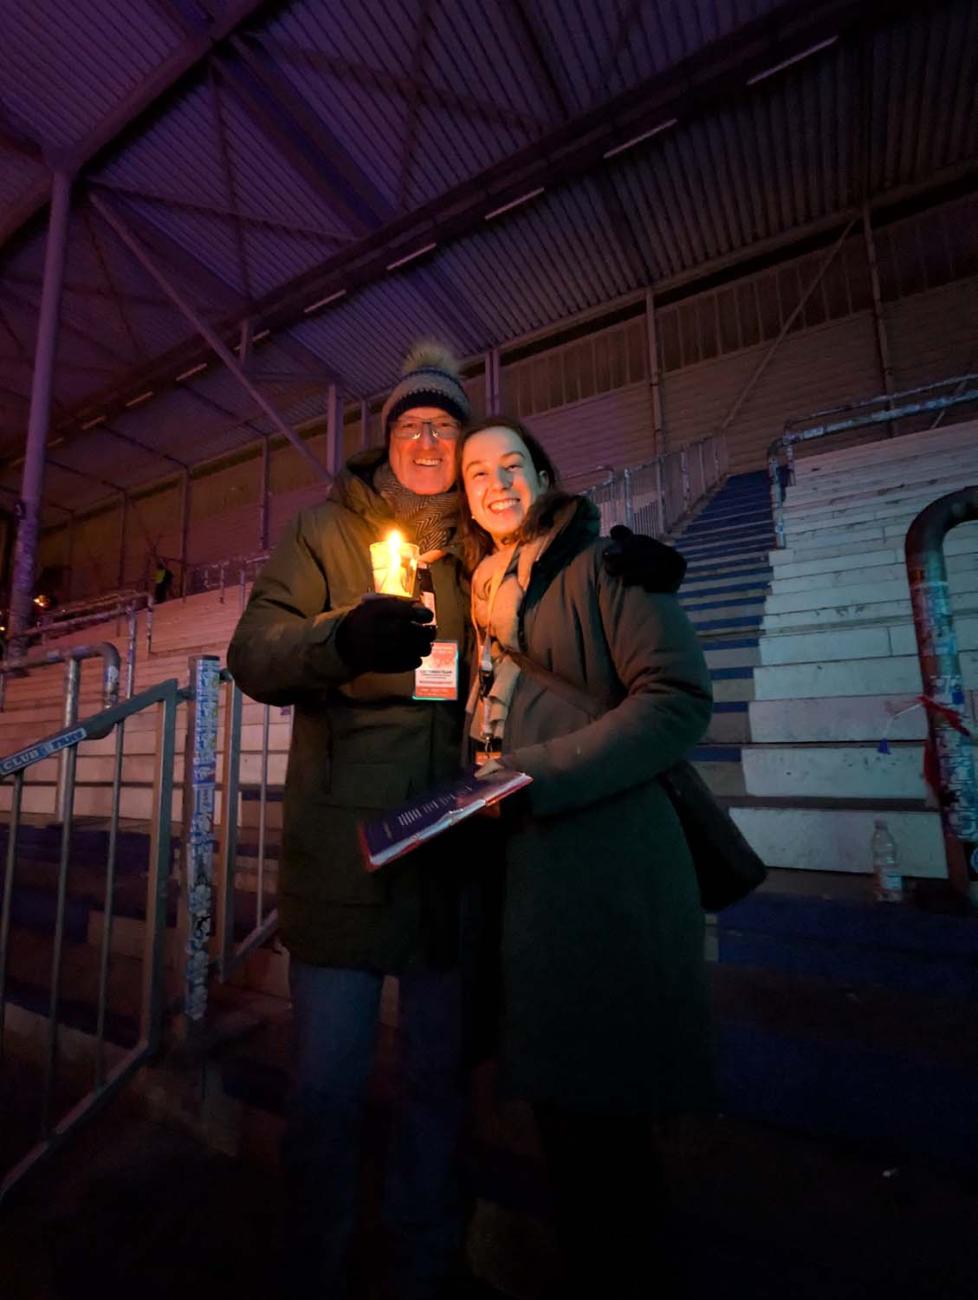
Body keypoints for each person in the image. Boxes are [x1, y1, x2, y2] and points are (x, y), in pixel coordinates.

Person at [227, 343, 686, 1300]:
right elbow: (254, 652)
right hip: (347, 866)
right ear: (386, 440)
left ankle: (424, 1265)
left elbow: (553, 555)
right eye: (413, 425)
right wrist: (338, 638)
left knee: (440, 1087)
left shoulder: (481, 547)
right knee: (326, 1090)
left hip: (455, 866)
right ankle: (314, 1267)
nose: (430, 441)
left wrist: (629, 562)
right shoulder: (323, 532)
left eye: (446, 426)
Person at [457, 417, 713, 1300]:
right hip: (523, 871)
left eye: (511, 466)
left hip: (604, 865)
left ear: (543, 475)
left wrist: (535, 775)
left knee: (606, 1133)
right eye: (477, 473)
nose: (496, 484)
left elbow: (677, 699)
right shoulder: (478, 594)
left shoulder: (606, 565)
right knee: (566, 1126)